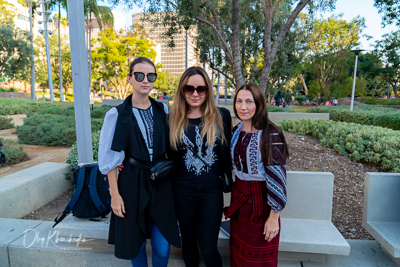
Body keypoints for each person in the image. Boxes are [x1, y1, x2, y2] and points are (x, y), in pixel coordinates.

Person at [98, 57, 180, 266]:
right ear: (130, 78)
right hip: (131, 184)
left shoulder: (163, 110)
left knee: (162, 247)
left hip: (160, 182)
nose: (145, 80)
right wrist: (115, 195)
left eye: (151, 76)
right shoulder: (116, 114)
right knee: (136, 245)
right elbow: (110, 159)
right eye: (139, 75)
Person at [168, 66, 232, 267]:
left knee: (208, 246)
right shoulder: (171, 119)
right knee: (188, 242)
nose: (195, 94)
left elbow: (229, 150)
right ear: (182, 90)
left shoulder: (221, 116)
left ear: (208, 90)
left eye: (201, 89)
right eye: (189, 88)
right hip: (182, 191)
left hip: (211, 192)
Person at [225, 83, 289, 267]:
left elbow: (278, 178)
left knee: (259, 259)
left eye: (249, 102)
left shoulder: (271, 134)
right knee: (238, 255)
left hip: (262, 206)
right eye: (239, 101)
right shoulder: (236, 131)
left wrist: (273, 217)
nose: (242, 107)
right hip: (239, 201)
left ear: (259, 104)